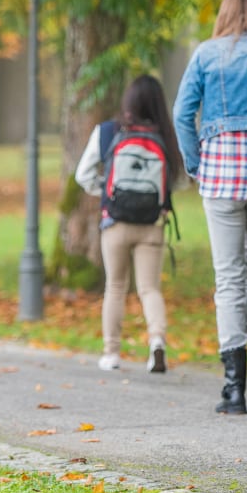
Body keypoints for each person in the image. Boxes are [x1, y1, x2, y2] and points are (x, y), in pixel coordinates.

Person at [172, 0, 247, 414]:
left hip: (220, 174)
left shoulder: (206, 54)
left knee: (229, 277)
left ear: (222, 16)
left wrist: (195, 163)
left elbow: (182, 114)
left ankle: (233, 389)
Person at [75, 74, 185, 373]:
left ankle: (111, 353)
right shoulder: (166, 135)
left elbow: (83, 175)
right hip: (152, 224)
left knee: (115, 287)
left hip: (115, 223)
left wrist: (107, 193)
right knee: (149, 288)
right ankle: (157, 343)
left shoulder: (107, 131)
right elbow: (180, 181)